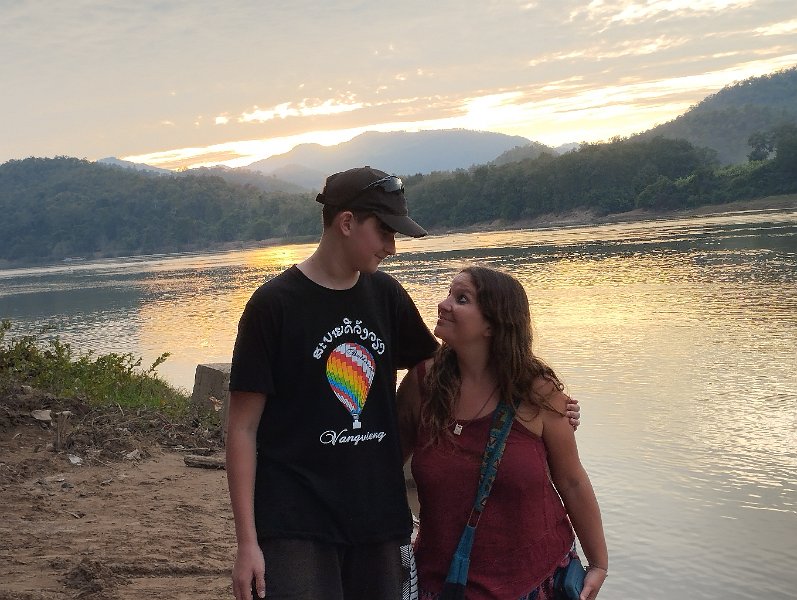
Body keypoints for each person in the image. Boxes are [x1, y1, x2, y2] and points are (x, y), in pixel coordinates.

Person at [226, 167, 581, 600]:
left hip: (380, 517)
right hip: (295, 520)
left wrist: (542, 402)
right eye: (385, 232)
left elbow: (451, 368)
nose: (392, 248)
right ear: (347, 222)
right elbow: (242, 428)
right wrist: (247, 542)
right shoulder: (274, 306)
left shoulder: (386, 296)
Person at [398, 266, 608, 600]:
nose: (444, 304)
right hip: (443, 582)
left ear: (492, 324)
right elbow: (384, 465)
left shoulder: (536, 390)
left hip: (534, 582)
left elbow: (571, 480)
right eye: (449, 293)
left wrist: (598, 563)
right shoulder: (422, 384)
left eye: (461, 299)